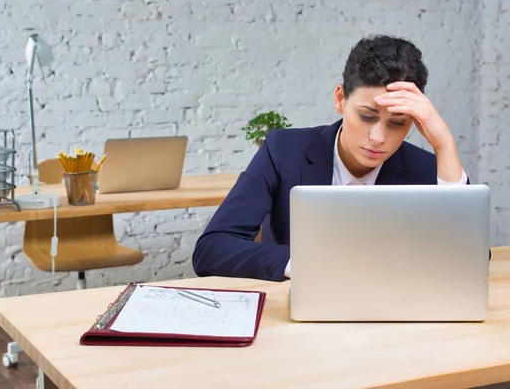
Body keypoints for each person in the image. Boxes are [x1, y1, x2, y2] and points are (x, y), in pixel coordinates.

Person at [191, 34, 478, 282]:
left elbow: (472, 259)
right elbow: (212, 249)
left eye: (398, 123)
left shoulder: (428, 169)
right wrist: (314, 264)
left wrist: (445, 145)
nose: (378, 137)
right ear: (340, 99)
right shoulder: (284, 151)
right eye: (367, 116)